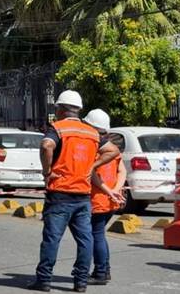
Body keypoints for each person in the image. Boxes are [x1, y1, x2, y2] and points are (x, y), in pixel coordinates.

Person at [28, 91, 120, 293]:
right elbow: (113, 151)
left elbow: (46, 146)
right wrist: (92, 166)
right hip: (83, 196)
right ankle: (80, 282)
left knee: (52, 239)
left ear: (60, 109)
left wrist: (47, 172)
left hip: (60, 193)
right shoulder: (91, 132)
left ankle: (44, 280)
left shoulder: (58, 128)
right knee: (85, 240)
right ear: (78, 110)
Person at [84, 109, 126, 286]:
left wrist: (109, 191)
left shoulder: (94, 148)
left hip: (98, 199)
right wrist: (116, 189)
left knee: (96, 235)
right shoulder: (111, 147)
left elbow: (91, 174)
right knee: (99, 234)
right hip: (111, 200)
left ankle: (101, 272)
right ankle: (104, 270)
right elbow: (122, 170)